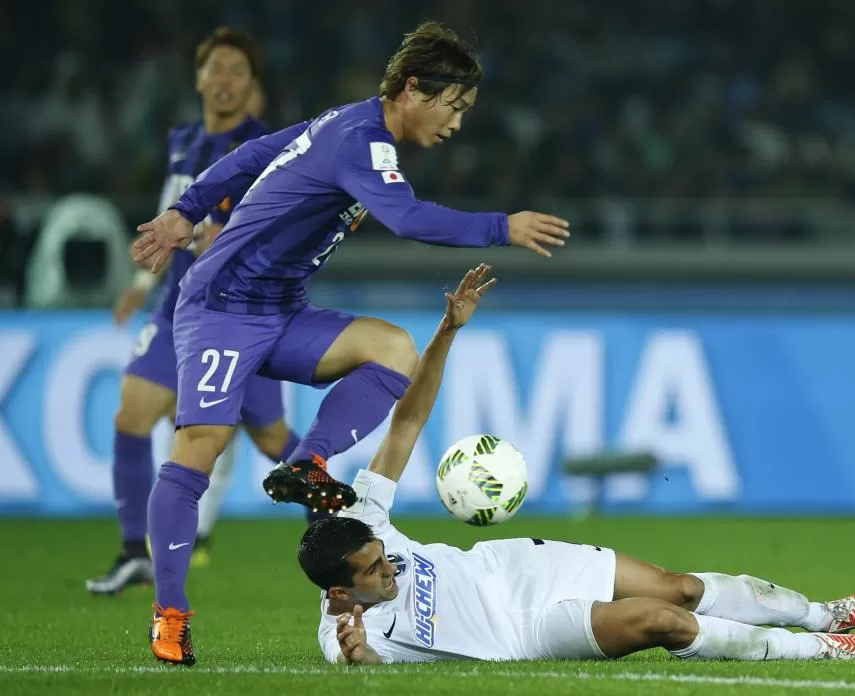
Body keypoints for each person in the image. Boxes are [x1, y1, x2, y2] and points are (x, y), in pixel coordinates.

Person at [132, 22, 570, 666]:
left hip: (281, 309)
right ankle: (169, 616)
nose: (456, 123)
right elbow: (408, 218)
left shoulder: (350, 125)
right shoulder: (360, 139)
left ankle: (307, 464)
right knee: (200, 448)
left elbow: (255, 154)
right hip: (222, 305)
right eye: (454, 106)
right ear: (414, 89)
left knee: (393, 348)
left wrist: (188, 208)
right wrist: (503, 225)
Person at [300, 264, 855, 665]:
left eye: (385, 558)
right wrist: (363, 658)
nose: (391, 570)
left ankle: (825, 614)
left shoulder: (366, 523)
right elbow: (366, 662)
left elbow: (406, 422)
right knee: (660, 619)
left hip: (514, 568)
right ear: (338, 591)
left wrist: (448, 331)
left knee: (681, 587)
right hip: (523, 633)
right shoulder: (347, 635)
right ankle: (825, 651)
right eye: (376, 573)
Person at [86, 28, 303, 596]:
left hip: (239, 314)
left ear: (252, 86)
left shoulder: (265, 147)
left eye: (238, 71)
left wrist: (230, 240)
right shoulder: (182, 140)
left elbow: (282, 220)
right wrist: (140, 277)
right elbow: (169, 207)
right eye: (217, 68)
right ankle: (135, 552)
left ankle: (340, 519)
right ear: (199, 77)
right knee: (131, 416)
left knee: (274, 441)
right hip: (178, 306)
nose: (225, 80)